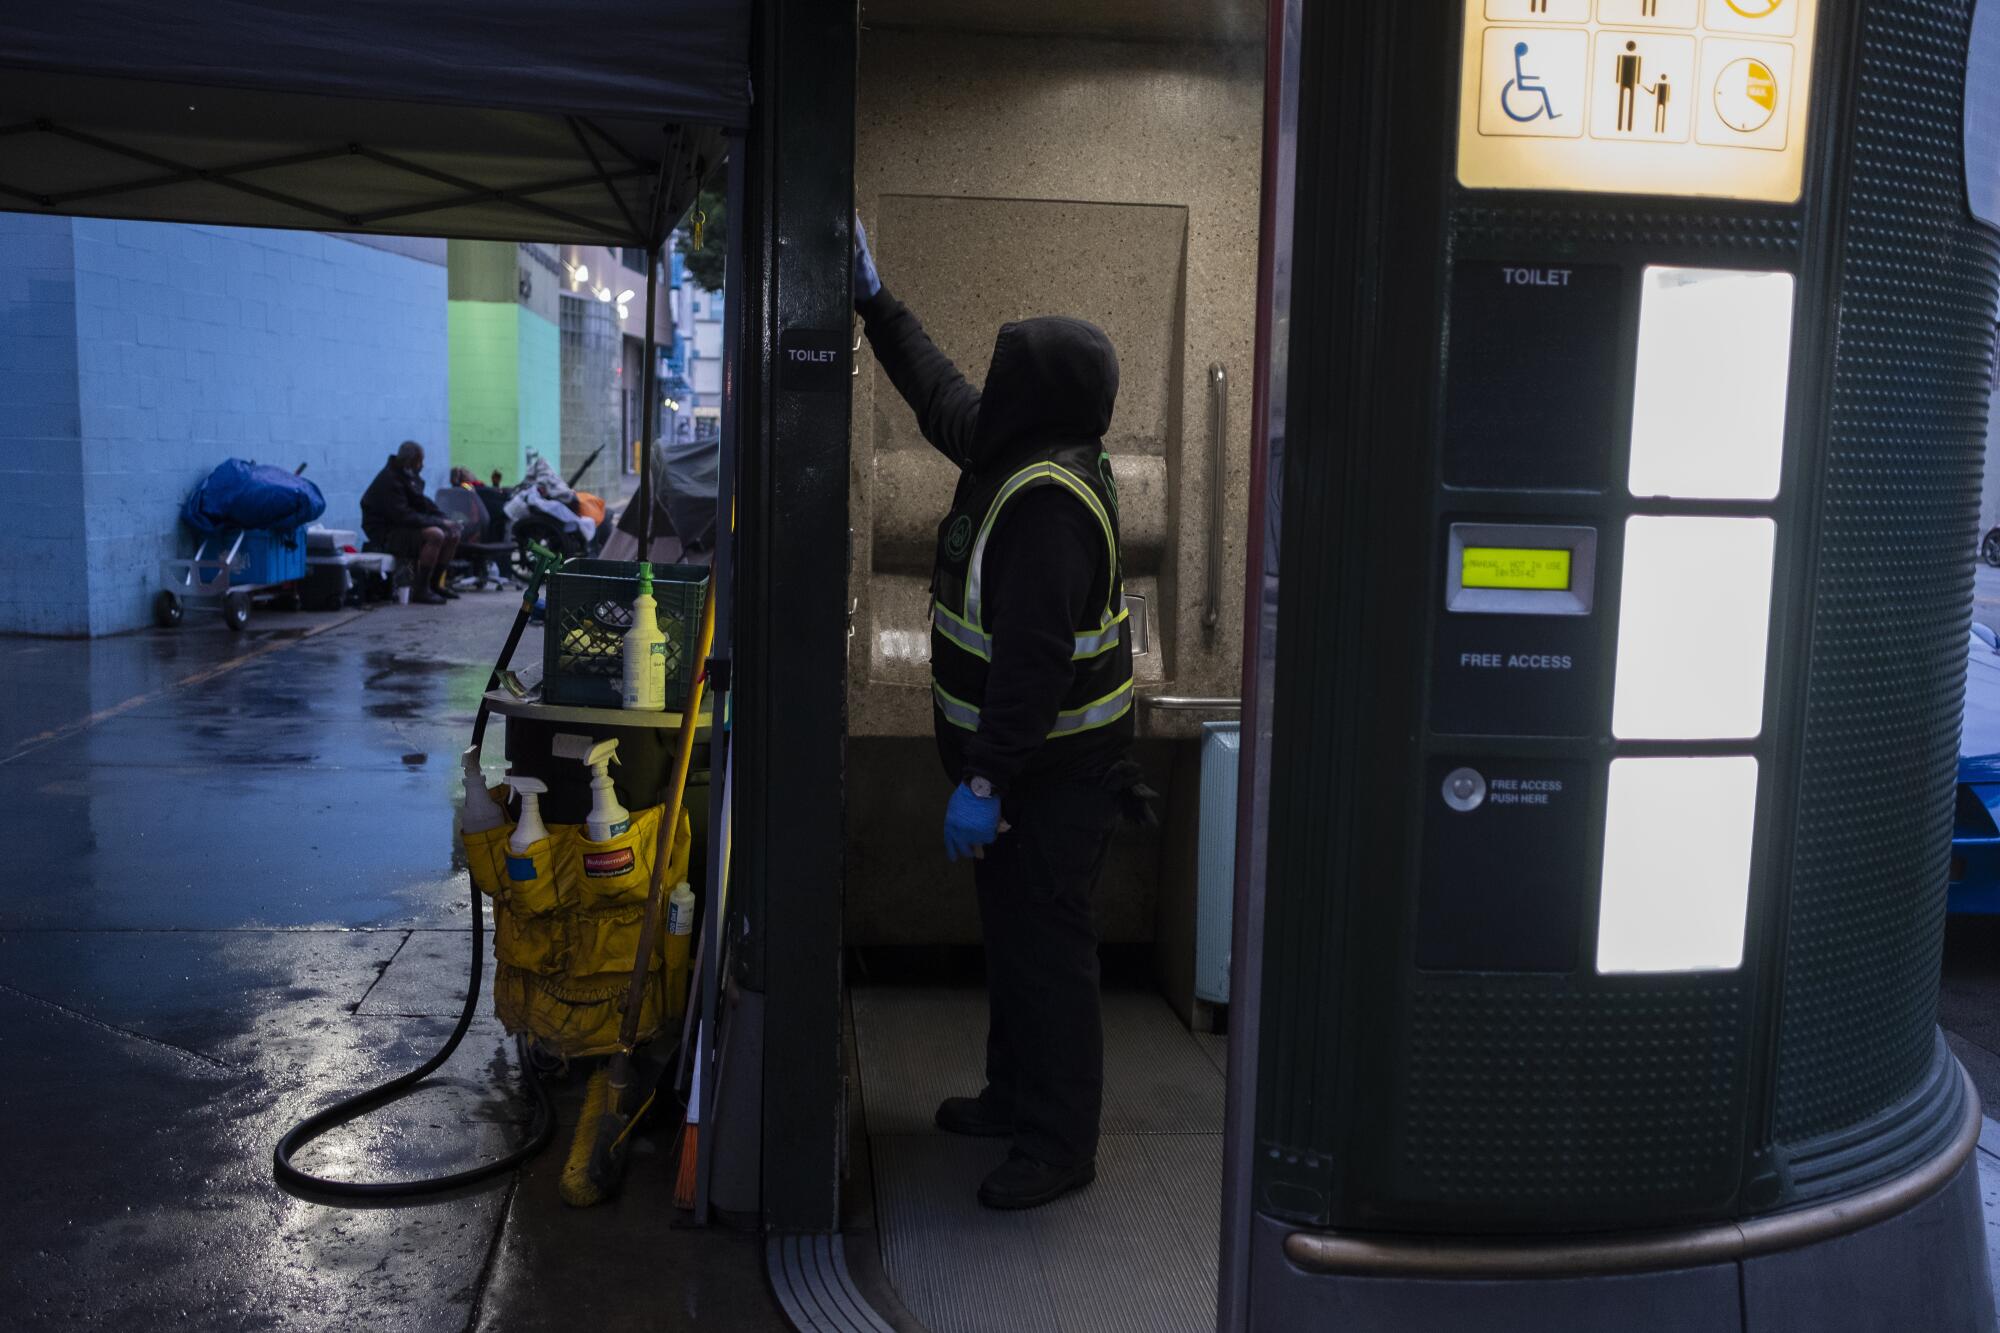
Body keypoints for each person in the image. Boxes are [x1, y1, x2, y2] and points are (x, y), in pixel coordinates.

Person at [852, 215, 1147, 1211]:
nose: (984, 385)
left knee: (1049, 955)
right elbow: (937, 392)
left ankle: (1060, 1144)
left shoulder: (1047, 503)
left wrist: (984, 778)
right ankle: (1013, 1095)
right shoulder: (1018, 446)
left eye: (1001, 373)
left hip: (1053, 776)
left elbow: (1029, 661)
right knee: (1017, 942)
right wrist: (873, 299)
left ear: (1032, 397)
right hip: (1034, 771)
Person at [361, 441, 460, 604]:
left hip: (402, 527)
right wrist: (438, 523)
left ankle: (434, 585)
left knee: (453, 534)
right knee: (436, 535)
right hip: (386, 532)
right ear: (411, 461)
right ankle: (421, 589)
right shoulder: (389, 480)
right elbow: (403, 516)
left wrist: (444, 519)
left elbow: (422, 503)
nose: (422, 466)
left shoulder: (407, 477)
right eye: (420, 461)